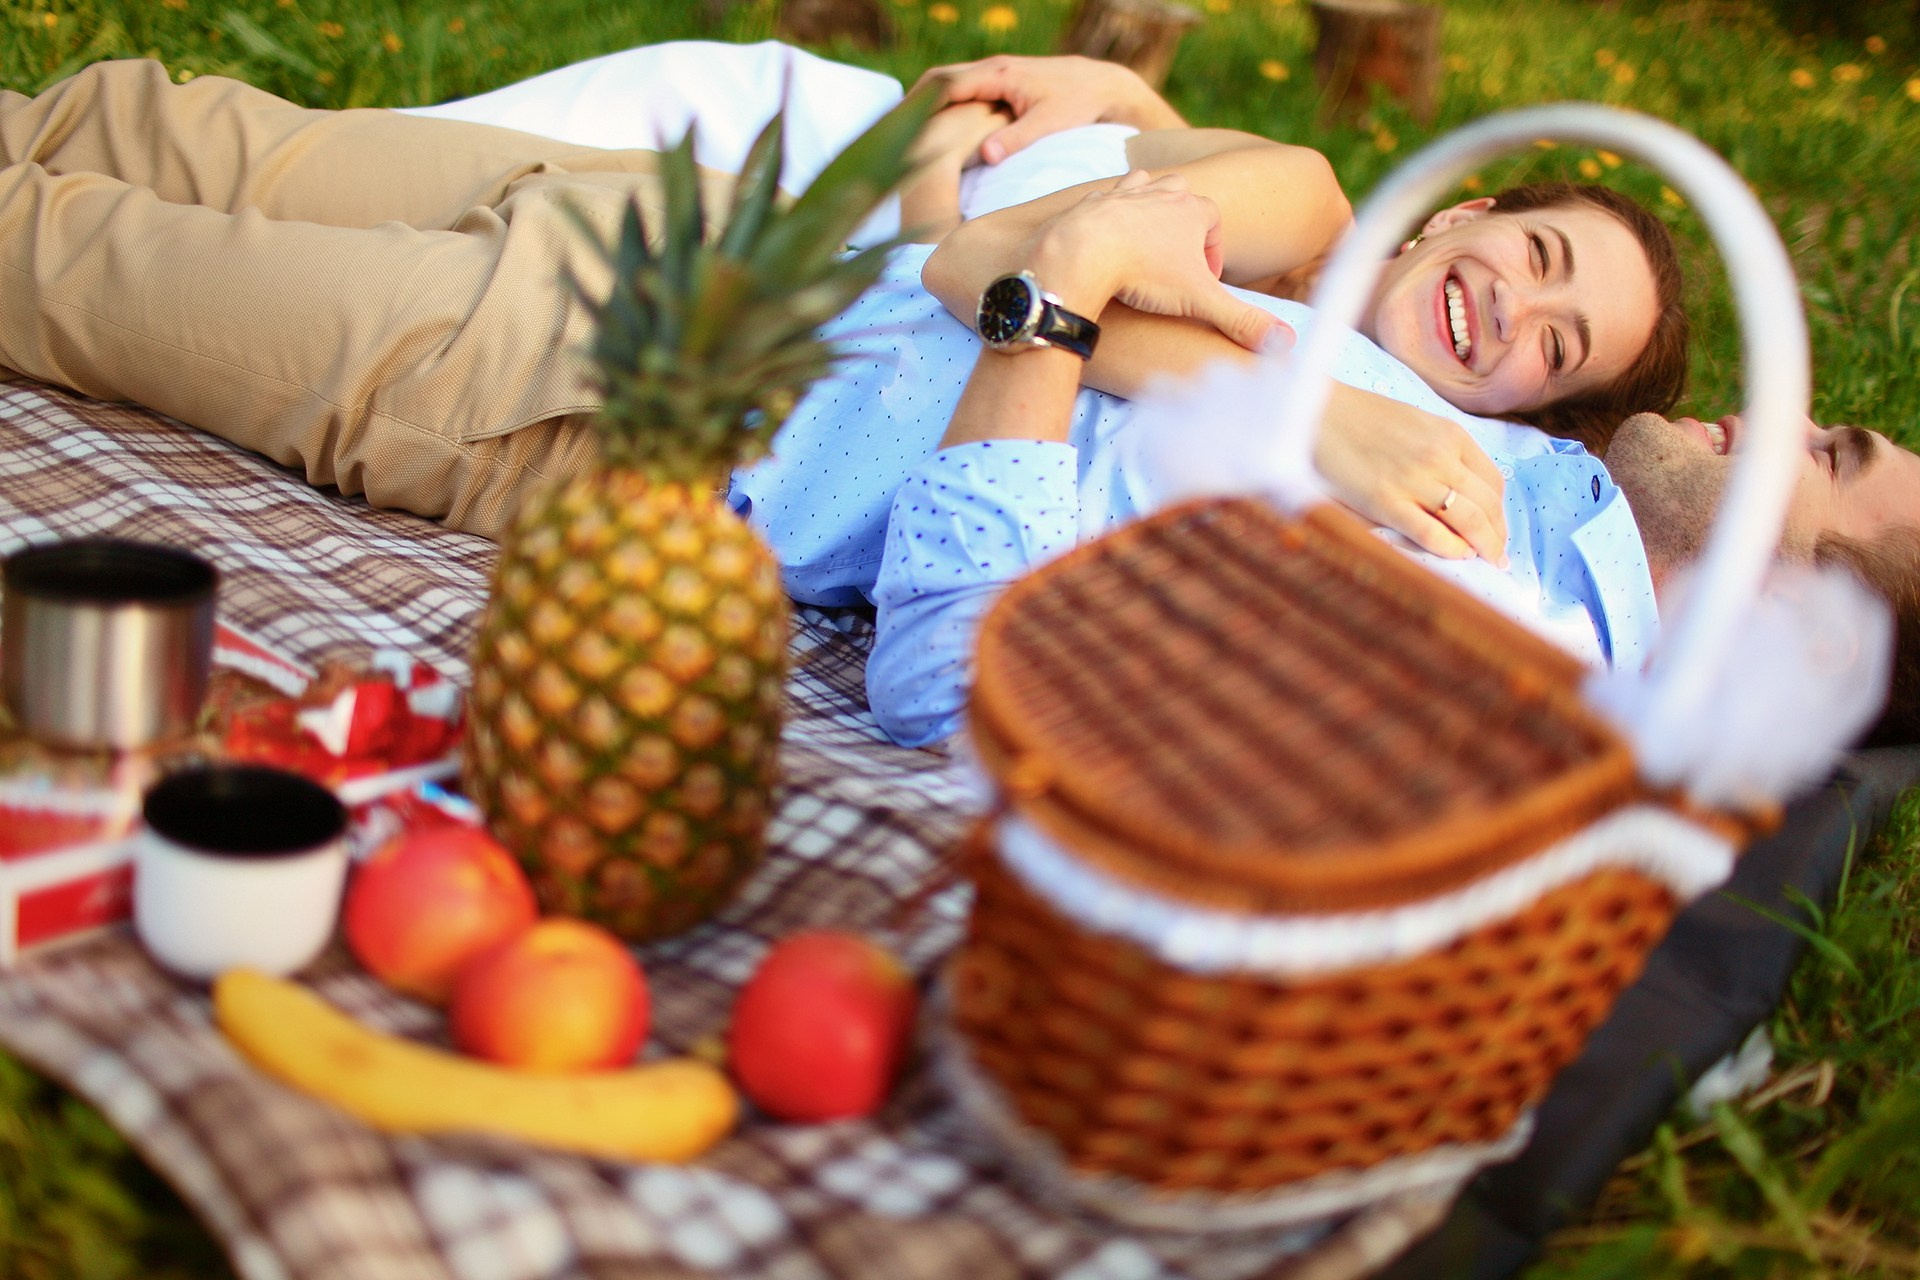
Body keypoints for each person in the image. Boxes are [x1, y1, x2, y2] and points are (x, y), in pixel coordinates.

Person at [919, 171, 1920, 751]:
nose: (1782, 415)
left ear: (1810, 629)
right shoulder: (1542, 479)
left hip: (836, 380)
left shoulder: (1498, 649)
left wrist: (1061, 294)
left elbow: (953, 687)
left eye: (1831, 457)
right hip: (919, 260)